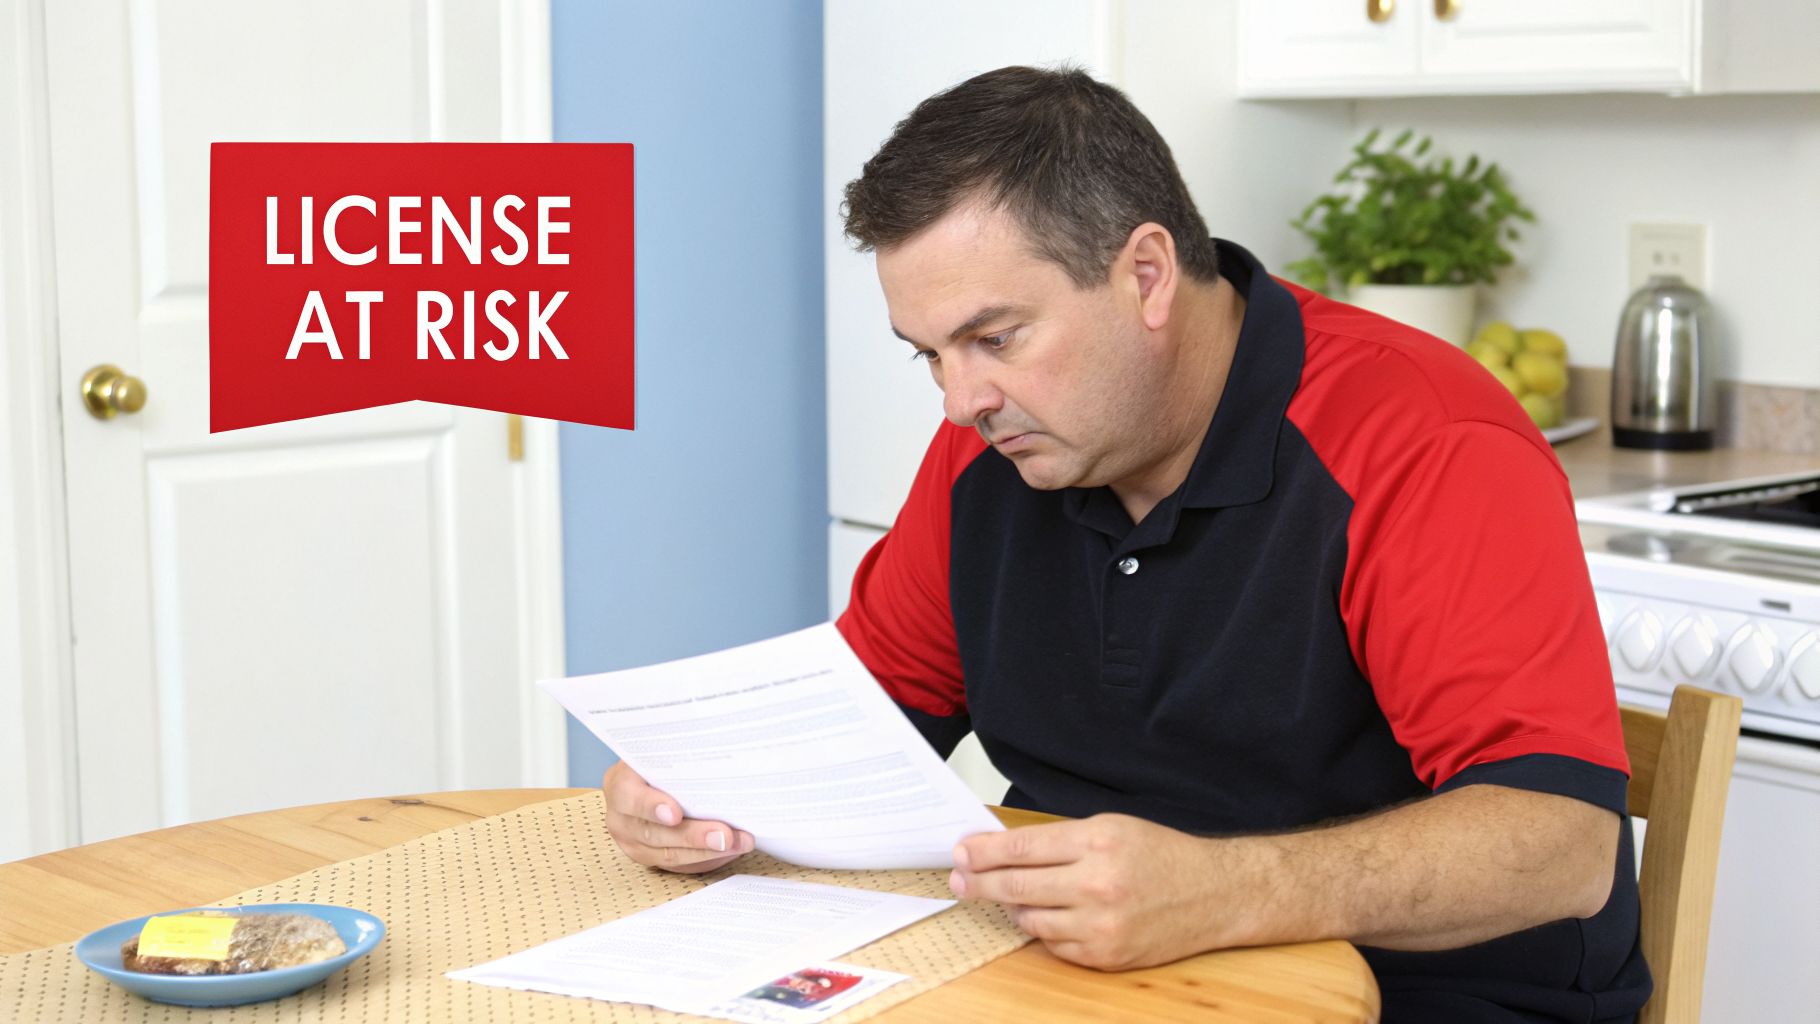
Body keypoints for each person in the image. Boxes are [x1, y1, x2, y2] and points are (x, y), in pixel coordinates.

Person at [601, 66, 1650, 1022]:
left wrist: (1223, 890)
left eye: (994, 337)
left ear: (1145, 273)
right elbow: (862, 725)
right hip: (1090, 983)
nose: (960, 399)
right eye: (929, 353)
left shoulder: (1419, 437)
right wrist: (702, 797)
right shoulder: (991, 452)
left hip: (1423, 994)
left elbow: (1558, 844)